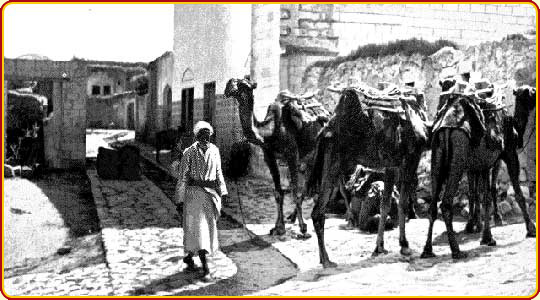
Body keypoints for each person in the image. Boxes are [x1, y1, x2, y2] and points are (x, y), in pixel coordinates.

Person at [173, 121, 228, 281]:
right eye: (202, 135)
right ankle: (205, 268)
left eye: (208, 135)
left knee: (205, 230)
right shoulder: (189, 152)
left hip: (210, 195)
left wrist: (223, 192)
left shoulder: (215, 151)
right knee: (199, 229)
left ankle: (190, 256)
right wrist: (180, 199)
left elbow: (219, 173)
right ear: (197, 136)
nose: (205, 138)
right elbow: (183, 177)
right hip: (194, 195)